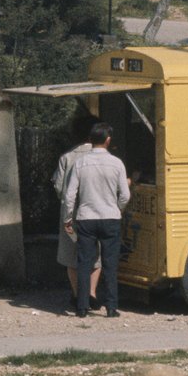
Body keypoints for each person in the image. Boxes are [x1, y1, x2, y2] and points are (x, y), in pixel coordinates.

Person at [62, 122, 131, 318]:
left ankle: (82, 307)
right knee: (110, 264)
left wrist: (68, 218)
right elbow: (125, 195)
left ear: (90, 140)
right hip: (110, 217)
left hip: (86, 218)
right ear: (108, 140)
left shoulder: (80, 163)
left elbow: (69, 195)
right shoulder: (117, 164)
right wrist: (117, 209)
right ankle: (111, 307)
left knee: (84, 262)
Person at [52, 116, 101, 311]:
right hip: (95, 214)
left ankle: (76, 293)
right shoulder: (106, 158)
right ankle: (92, 292)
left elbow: (58, 187)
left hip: (70, 217)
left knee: (71, 254)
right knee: (96, 255)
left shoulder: (67, 157)